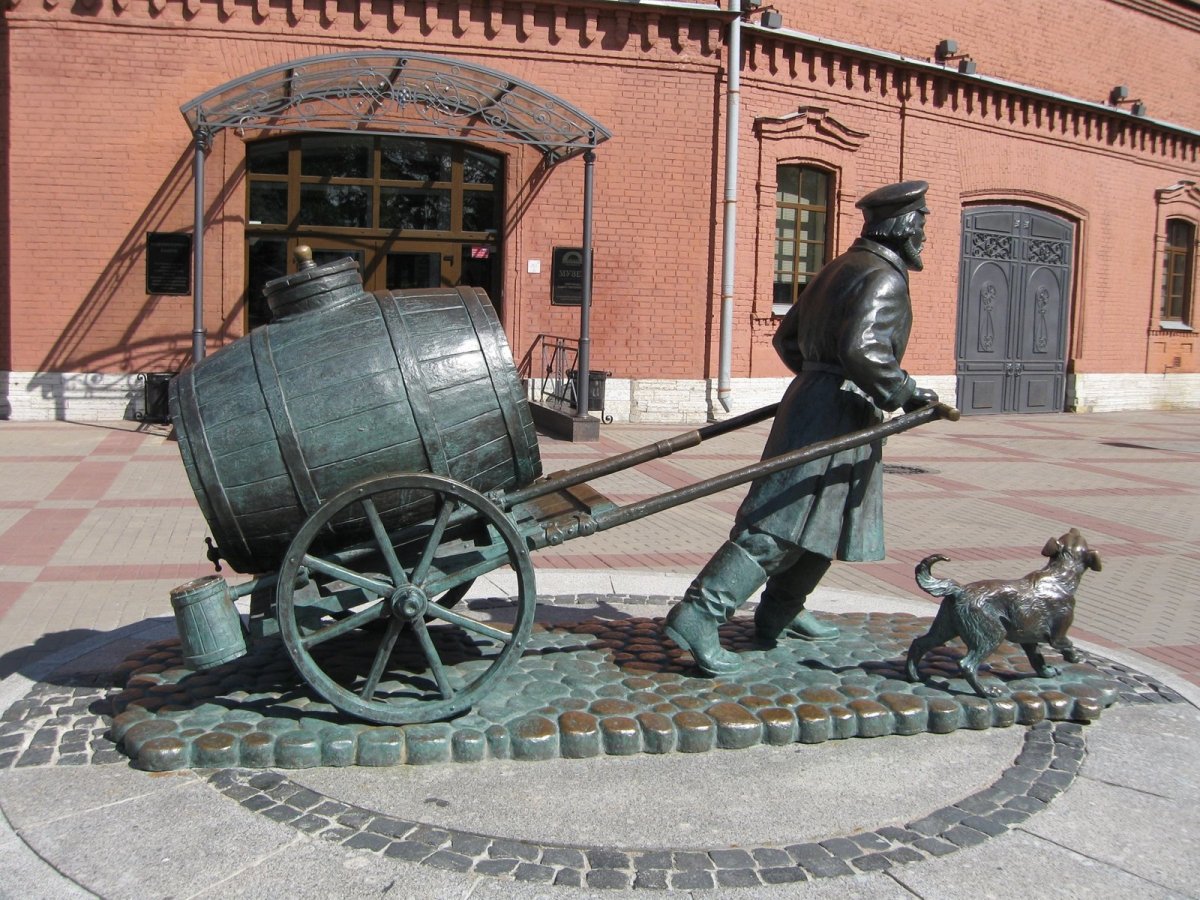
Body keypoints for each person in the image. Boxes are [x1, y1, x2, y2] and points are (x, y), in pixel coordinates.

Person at [663, 179, 939, 676]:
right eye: (920, 221)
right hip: (836, 412)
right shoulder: (883, 277)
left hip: (819, 402)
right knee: (782, 524)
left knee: (828, 523)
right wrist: (906, 391)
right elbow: (864, 349)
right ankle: (699, 614)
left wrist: (817, 378)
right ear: (900, 224)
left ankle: (780, 610)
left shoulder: (839, 268)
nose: (923, 233)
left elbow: (787, 340)